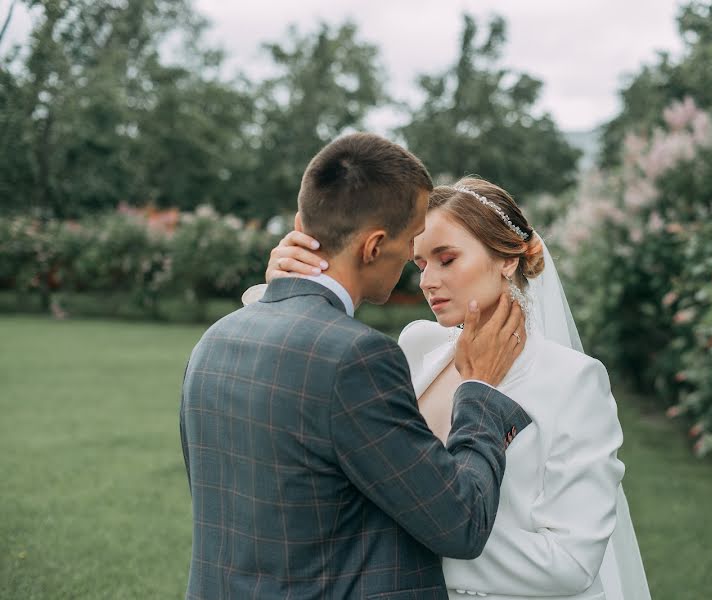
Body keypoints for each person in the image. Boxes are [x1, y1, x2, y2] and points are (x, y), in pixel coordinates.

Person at [256, 177, 652, 599]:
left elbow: (571, 563)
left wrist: (413, 537)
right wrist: (283, 291)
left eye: (446, 259)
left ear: (506, 260)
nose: (427, 281)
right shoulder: (418, 345)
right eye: (421, 264)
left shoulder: (574, 381)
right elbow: (326, 387)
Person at [180, 134, 532, 600]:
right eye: (411, 245)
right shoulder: (358, 360)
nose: (415, 266)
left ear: (304, 223)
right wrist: (481, 391)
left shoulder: (216, 339)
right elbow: (461, 523)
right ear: (373, 247)